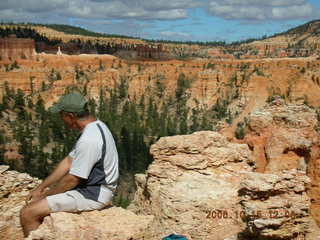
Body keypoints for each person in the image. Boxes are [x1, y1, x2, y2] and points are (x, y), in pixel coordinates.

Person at [20, 92, 119, 237]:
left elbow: (72, 179)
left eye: (62, 116)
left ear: (70, 116)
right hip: (92, 188)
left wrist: (43, 197)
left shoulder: (89, 140)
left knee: (28, 213)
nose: (62, 120)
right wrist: (40, 188)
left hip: (93, 194)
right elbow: (68, 162)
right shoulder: (95, 126)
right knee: (38, 207)